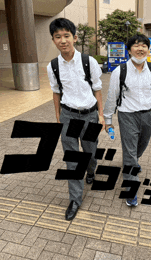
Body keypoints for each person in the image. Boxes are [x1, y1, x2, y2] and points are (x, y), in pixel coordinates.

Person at [103, 34, 151, 207]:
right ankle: (131, 189)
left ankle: (133, 161)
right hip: (127, 115)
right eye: (136, 45)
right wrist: (108, 119)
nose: (140, 48)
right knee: (129, 151)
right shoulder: (119, 71)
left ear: (148, 50)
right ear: (129, 50)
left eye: (144, 45)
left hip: (147, 115)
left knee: (141, 144)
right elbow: (112, 97)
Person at [47, 18, 105, 221]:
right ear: (53, 40)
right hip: (68, 115)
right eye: (58, 37)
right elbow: (56, 92)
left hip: (90, 115)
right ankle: (74, 199)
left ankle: (91, 169)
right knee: (72, 159)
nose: (63, 40)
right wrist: (58, 116)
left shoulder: (89, 62)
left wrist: (101, 114)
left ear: (75, 37)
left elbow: (97, 88)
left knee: (90, 151)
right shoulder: (53, 66)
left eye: (66, 36)